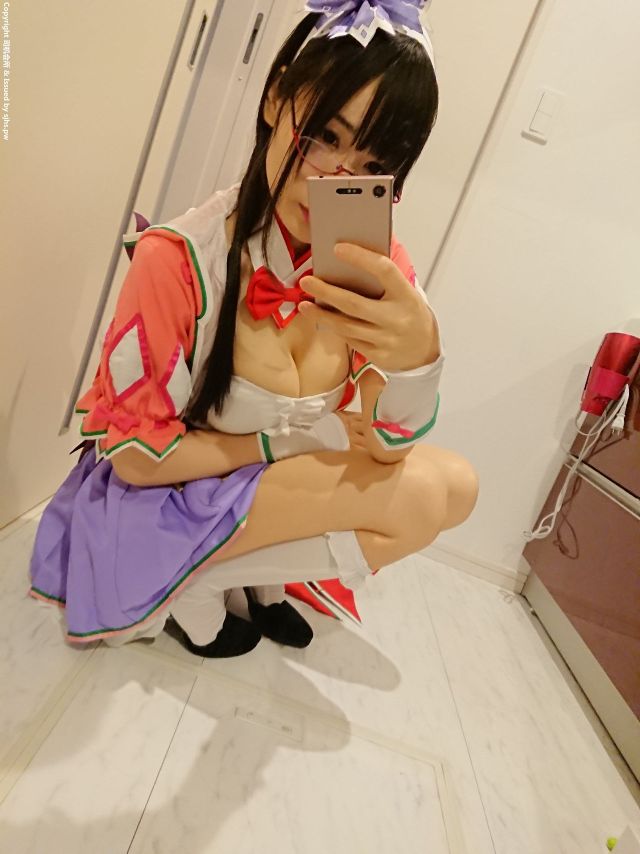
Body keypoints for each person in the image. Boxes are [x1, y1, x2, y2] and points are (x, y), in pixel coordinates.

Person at [29, 0, 479, 658]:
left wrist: (419, 361)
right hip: (162, 501)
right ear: (276, 99)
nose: (336, 178)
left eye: (372, 164)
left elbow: (386, 448)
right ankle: (190, 585)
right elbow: (134, 459)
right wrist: (287, 442)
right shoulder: (179, 259)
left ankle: (241, 578)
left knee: (456, 486)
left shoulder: (377, 271)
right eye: (325, 135)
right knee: (414, 497)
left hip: (248, 494)